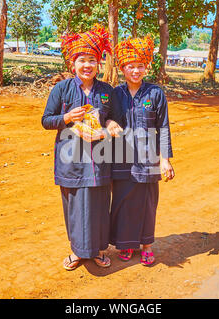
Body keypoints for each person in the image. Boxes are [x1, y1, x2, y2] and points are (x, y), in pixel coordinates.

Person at [41, 24, 122, 271]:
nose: (87, 65)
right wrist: (66, 118)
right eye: (82, 60)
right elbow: (46, 121)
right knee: (74, 207)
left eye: (92, 60)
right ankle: (77, 252)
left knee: (98, 206)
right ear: (72, 64)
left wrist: (109, 127)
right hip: (71, 160)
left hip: (100, 159)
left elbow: (115, 119)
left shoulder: (107, 91)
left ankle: (97, 251)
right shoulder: (62, 89)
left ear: (99, 64)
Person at [110, 36, 175, 266]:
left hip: (148, 160)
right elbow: (105, 119)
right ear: (122, 68)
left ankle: (146, 245)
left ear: (146, 67)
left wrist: (165, 160)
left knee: (147, 203)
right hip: (121, 159)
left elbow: (164, 127)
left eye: (140, 66)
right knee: (123, 202)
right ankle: (127, 244)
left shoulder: (155, 94)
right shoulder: (115, 94)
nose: (135, 71)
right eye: (131, 66)